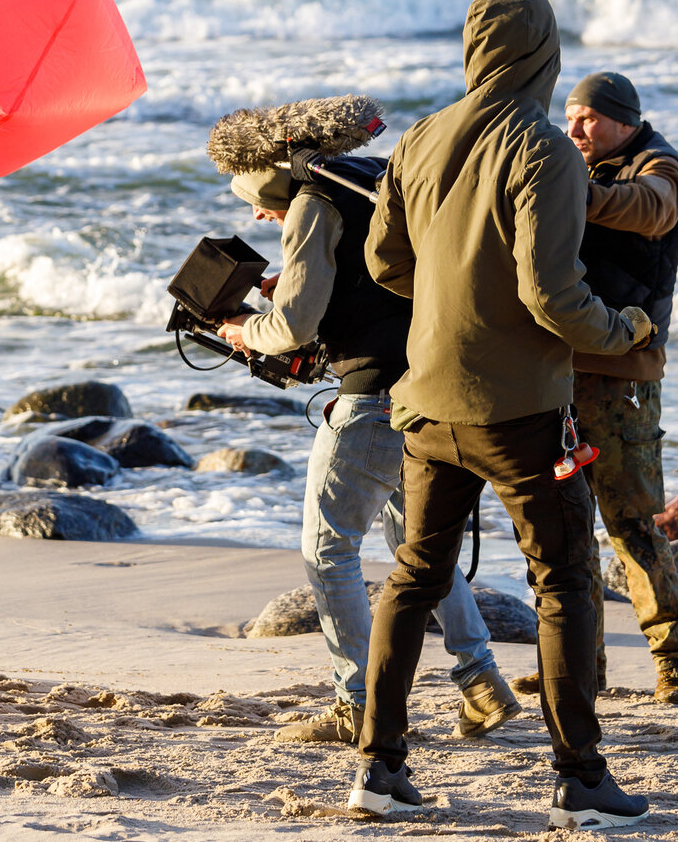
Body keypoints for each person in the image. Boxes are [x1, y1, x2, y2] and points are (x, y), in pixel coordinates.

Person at [350, 0, 654, 830]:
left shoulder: (419, 136)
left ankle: (378, 768)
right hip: (521, 414)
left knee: (412, 579)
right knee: (564, 580)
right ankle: (581, 780)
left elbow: (386, 264)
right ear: (546, 55)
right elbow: (554, 296)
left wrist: (452, 299)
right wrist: (623, 328)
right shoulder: (547, 150)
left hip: (424, 403)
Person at [212, 152, 520, 746]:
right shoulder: (370, 188)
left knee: (327, 550)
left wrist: (243, 329)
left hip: (371, 399)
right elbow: (372, 291)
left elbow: (293, 329)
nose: (255, 212)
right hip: (427, 391)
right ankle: (481, 684)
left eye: (253, 196)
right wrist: (299, 293)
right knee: (417, 549)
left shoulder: (311, 202)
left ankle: (354, 701)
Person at [561, 70, 678, 704]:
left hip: (624, 380)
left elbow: (652, 209)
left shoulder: (658, 165)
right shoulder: (577, 168)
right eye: (569, 115)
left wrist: (576, 194)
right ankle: (582, 667)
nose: (574, 128)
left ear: (622, 119)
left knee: (631, 524)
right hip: (559, 372)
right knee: (564, 528)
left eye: (586, 117)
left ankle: (673, 663)